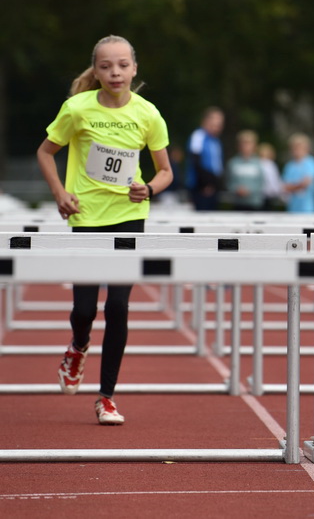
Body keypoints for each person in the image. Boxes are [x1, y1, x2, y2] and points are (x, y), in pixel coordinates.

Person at [36, 35, 172, 426]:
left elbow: (165, 172)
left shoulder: (148, 114)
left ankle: (106, 397)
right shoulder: (77, 108)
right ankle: (78, 346)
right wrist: (60, 193)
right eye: (106, 66)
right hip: (87, 218)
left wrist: (149, 189)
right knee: (84, 310)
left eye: (123, 65)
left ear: (134, 68)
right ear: (95, 71)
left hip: (129, 217)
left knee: (118, 307)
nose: (115, 72)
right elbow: (45, 152)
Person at [185, 106, 224, 210]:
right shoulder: (198, 136)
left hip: (213, 187)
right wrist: (205, 184)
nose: (219, 126)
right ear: (206, 121)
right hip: (201, 187)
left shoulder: (216, 140)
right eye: (216, 122)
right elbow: (195, 161)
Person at [226, 129, 266, 211]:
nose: (246, 146)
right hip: (238, 203)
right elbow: (228, 182)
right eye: (244, 143)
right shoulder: (232, 163)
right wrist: (237, 190)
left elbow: (261, 182)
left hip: (255, 204)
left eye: (249, 143)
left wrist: (249, 190)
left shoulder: (259, 163)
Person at [282, 133, 314, 213]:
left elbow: (306, 183)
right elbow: (285, 187)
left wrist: (293, 187)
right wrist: (298, 186)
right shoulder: (289, 165)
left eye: (299, 147)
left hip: (307, 210)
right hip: (292, 209)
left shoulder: (311, 163)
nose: (297, 150)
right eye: (295, 147)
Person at [258, 141, 285, 210]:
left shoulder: (270, 164)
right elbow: (274, 181)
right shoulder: (269, 164)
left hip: (267, 195)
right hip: (266, 195)